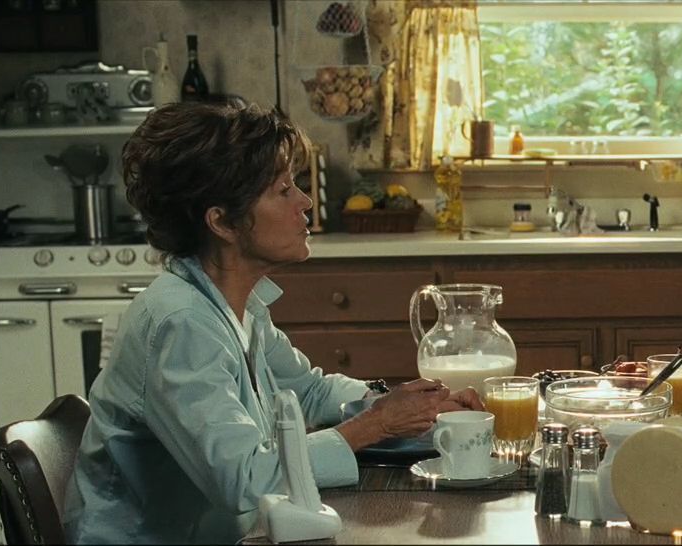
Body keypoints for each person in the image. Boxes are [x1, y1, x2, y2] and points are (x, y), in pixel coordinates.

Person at [63, 101, 483, 544]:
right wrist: (377, 424)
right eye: (283, 190)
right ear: (222, 222)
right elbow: (244, 479)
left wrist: (418, 407)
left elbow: (310, 391)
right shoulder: (183, 324)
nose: (305, 202)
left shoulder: (234, 303)